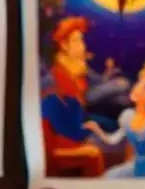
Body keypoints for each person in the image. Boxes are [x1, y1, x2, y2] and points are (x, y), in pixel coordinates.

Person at [40, 16, 104, 177]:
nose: (82, 47)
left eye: (81, 41)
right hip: (58, 150)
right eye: (77, 41)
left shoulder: (73, 77)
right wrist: (87, 131)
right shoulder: (60, 80)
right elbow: (69, 130)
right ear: (64, 45)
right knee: (96, 151)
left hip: (68, 140)